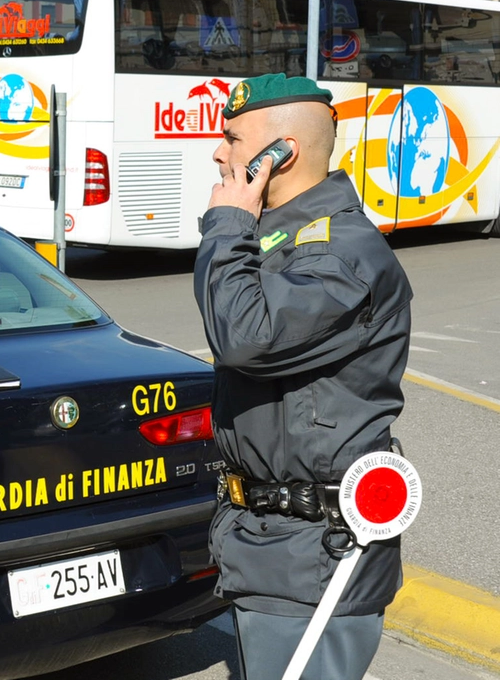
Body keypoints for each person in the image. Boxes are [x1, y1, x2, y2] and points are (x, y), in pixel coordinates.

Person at [193, 73, 413, 680]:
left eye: (232, 138)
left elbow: (245, 336)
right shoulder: (282, 238)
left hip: (313, 557)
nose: (218, 151)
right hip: (268, 548)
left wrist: (227, 225)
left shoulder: (341, 252)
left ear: (279, 152)